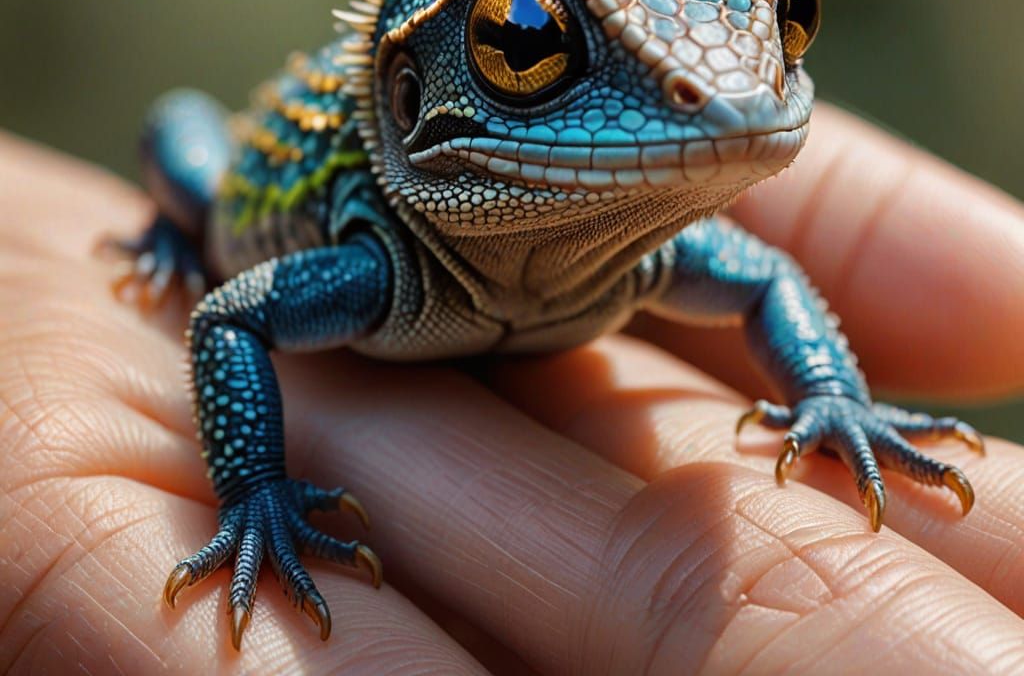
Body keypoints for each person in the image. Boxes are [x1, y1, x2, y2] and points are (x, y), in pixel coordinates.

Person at [2, 103, 1023, 675]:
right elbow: (229, 316)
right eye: (526, 37)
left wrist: (830, 393)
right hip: (322, 196)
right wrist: (253, 490)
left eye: (785, 10)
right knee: (188, 153)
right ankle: (169, 216)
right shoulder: (377, 267)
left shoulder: (649, 239)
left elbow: (768, 279)